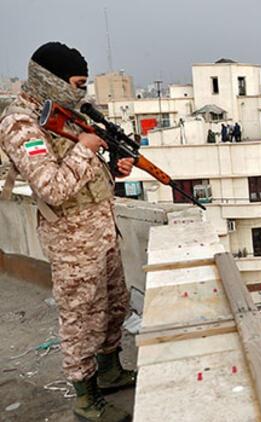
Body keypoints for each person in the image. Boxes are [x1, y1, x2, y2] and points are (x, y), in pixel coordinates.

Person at [0, 42, 135, 422]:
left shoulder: (65, 113)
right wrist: (85, 150)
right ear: (52, 79)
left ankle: (109, 372)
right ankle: (86, 399)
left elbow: (87, 170)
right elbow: (52, 188)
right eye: (77, 83)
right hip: (72, 240)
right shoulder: (21, 122)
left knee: (114, 305)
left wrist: (114, 168)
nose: (81, 92)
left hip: (102, 228)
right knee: (81, 319)